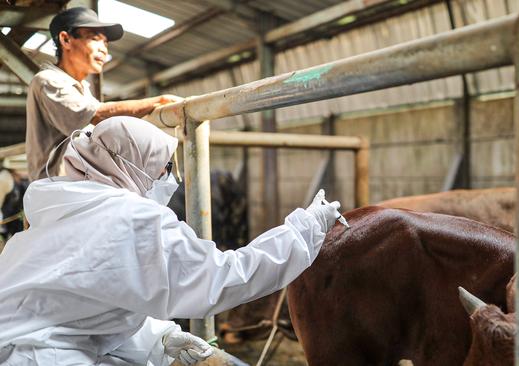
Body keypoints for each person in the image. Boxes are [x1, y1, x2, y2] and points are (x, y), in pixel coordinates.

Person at [0, 116, 343, 365]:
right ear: (129, 167)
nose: (169, 178)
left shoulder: (68, 208)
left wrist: (157, 337)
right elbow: (222, 278)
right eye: (162, 166)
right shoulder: (131, 218)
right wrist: (304, 229)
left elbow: (81, 301)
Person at [26, 7, 183, 181]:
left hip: (73, 189)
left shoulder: (82, 88)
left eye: (106, 43)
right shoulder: (48, 80)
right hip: (56, 191)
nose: (104, 50)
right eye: (95, 39)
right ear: (66, 39)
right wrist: (160, 100)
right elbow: (98, 115)